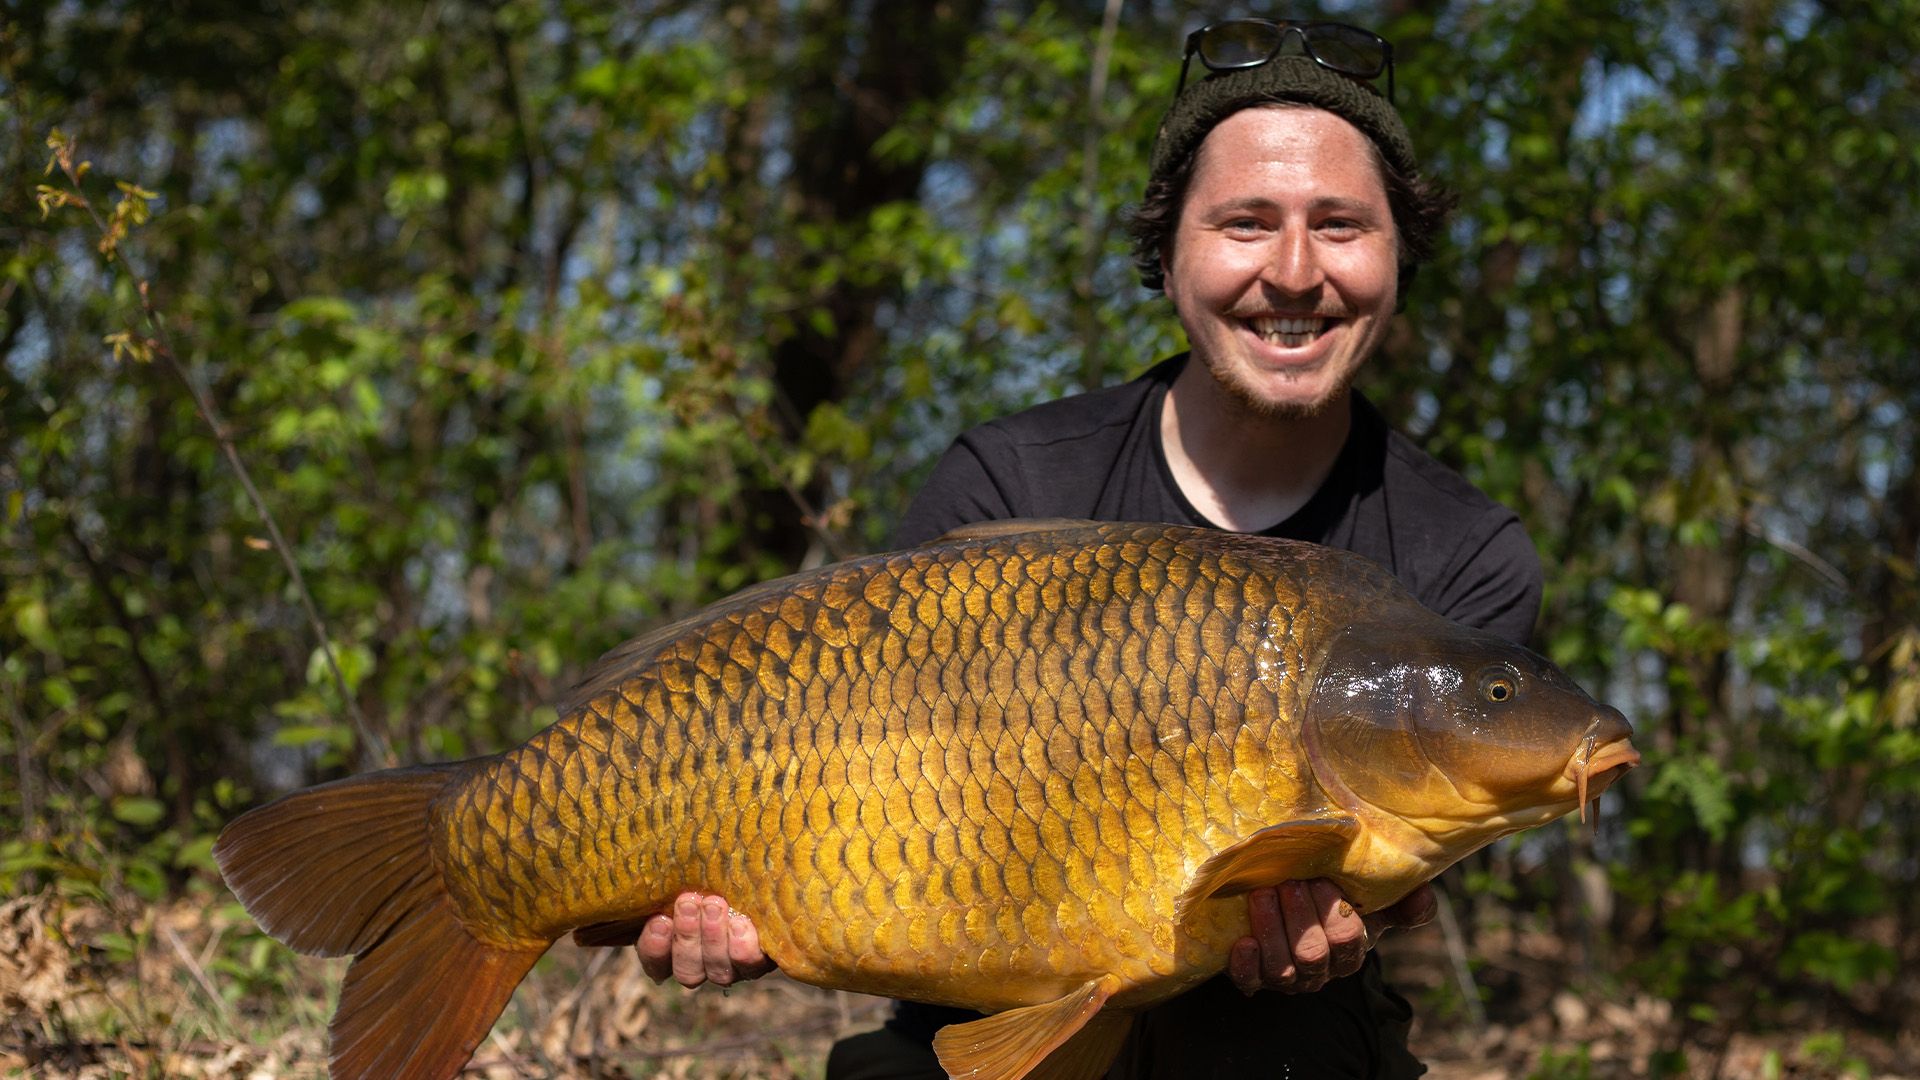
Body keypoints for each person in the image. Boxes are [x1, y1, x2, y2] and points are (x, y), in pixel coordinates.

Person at [636, 17, 1542, 1079]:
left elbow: (1407, 874)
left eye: (1340, 225)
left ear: (1399, 257)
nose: (1294, 272)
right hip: (975, 1018)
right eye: (1244, 224)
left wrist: (1361, 920)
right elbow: (859, 796)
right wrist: (753, 906)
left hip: (1289, 1044)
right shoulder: (1010, 482)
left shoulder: (1463, 554)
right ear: (1167, 256)